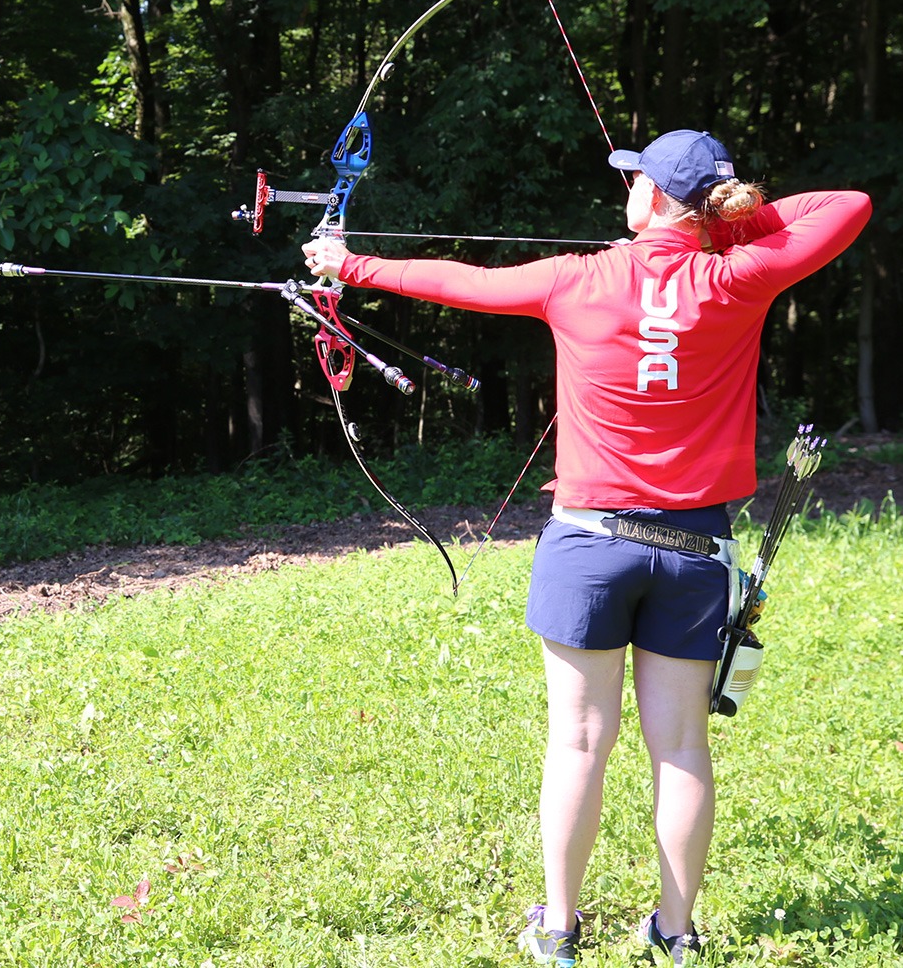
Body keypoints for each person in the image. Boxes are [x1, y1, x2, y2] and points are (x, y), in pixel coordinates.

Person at [301, 129, 872, 965]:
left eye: (637, 178)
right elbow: (845, 207)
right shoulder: (739, 277)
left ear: (652, 197)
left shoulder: (579, 278)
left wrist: (347, 264)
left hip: (589, 547)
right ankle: (676, 933)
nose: (627, 187)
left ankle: (560, 930)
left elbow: (465, 283)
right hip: (693, 553)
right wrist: (724, 230)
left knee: (577, 741)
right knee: (680, 746)